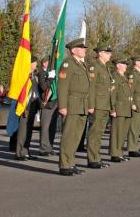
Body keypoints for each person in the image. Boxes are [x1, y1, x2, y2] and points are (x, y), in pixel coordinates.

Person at [57, 38, 90, 176]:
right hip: (71, 104)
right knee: (69, 135)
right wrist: (62, 106)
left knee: (76, 136)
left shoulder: (82, 65)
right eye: (82, 48)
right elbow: (63, 86)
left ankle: (71, 162)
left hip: (82, 104)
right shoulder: (68, 64)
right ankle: (64, 165)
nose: (85, 50)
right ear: (73, 50)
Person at [86, 43, 114, 169]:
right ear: (100, 53)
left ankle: (96, 157)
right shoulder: (94, 67)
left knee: (100, 133)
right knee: (94, 132)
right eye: (107, 53)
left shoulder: (105, 68)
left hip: (104, 105)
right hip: (97, 105)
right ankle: (92, 159)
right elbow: (91, 87)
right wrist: (91, 105)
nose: (110, 55)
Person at [15, 56, 41, 161]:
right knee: (23, 130)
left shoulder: (34, 75)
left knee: (29, 130)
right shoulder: (24, 75)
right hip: (25, 105)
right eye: (34, 63)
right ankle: (19, 152)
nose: (36, 65)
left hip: (33, 104)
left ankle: (26, 151)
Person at [109, 58, 133, 162]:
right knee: (116, 132)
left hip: (126, 108)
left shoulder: (124, 77)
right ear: (118, 65)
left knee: (123, 133)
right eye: (124, 64)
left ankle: (119, 153)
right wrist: (112, 109)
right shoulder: (115, 77)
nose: (126, 66)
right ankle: (115, 154)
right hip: (119, 108)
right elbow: (112, 94)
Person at [37, 57, 58, 156]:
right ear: (44, 63)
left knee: (52, 127)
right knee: (45, 127)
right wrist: (50, 78)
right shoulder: (41, 73)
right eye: (49, 62)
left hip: (54, 102)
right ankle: (44, 148)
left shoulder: (51, 73)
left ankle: (50, 147)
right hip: (46, 103)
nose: (51, 64)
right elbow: (43, 87)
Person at [127, 57, 140, 157]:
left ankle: (135, 147)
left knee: (138, 126)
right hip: (136, 104)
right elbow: (130, 90)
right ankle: (132, 148)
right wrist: (132, 104)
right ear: (136, 63)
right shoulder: (133, 75)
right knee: (134, 128)